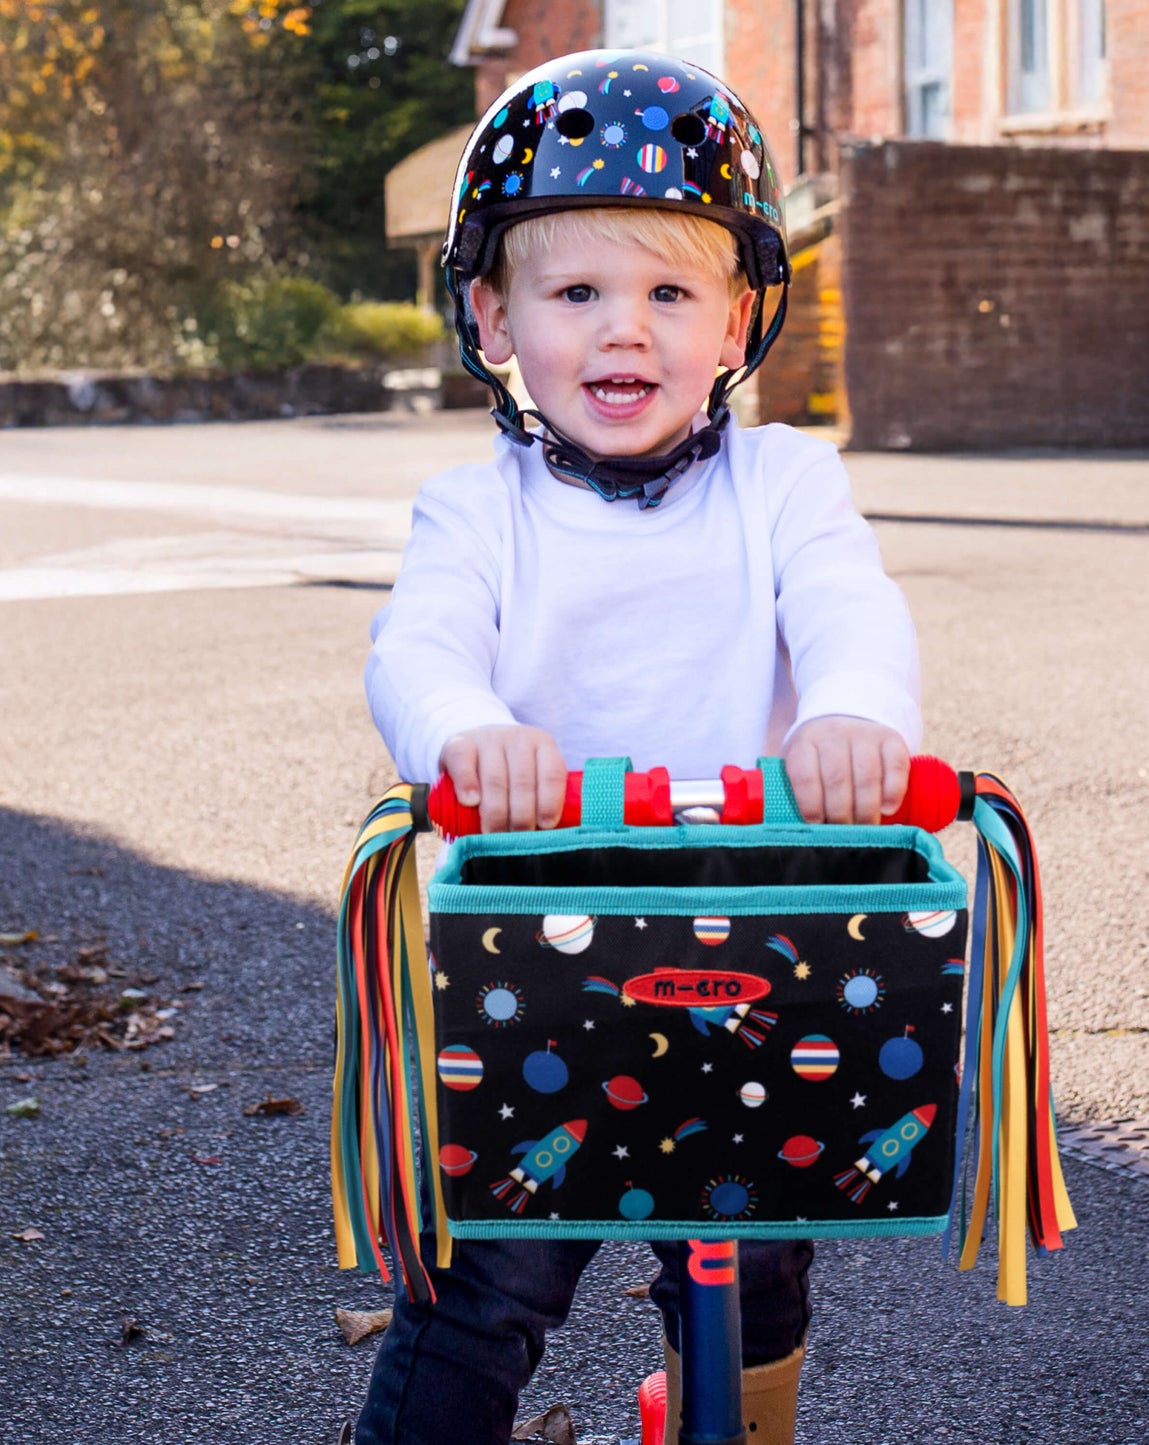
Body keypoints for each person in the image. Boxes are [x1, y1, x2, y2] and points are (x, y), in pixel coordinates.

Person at [356, 48, 922, 1445]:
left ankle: (731, 1415)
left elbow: (850, 606)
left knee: (754, 1254)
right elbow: (417, 649)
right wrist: (471, 733)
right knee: (489, 1271)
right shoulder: (475, 510)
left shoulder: (784, 483)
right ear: (492, 314)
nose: (626, 331)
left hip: (759, 928)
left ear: (738, 320)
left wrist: (854, 714)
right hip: (530, 942)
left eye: (670, 294)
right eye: (577, 294)